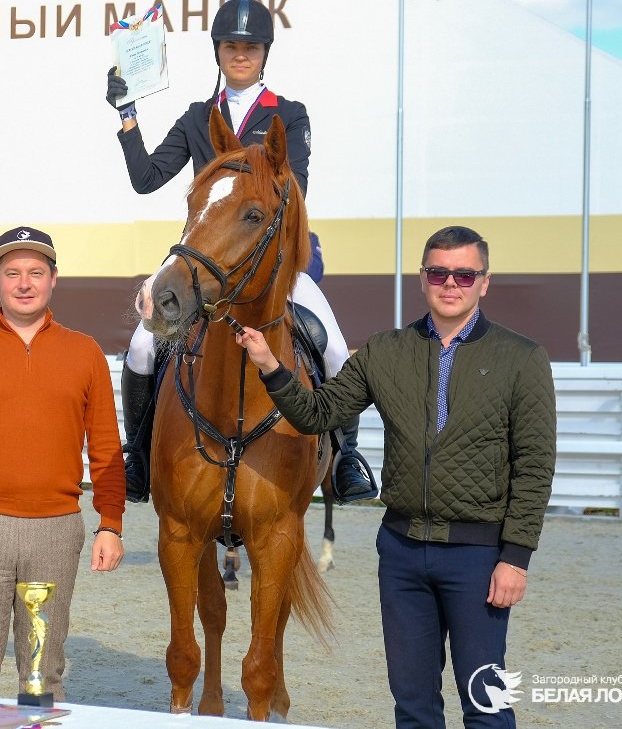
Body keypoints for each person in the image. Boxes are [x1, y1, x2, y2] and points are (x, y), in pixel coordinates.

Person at [235, 226, 557, 728]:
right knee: (412, 707)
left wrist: (515, 558)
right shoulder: (385, 350)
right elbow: (318, 414)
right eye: (439, 272)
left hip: (478, 556)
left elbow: (535, 465)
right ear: (423, 278)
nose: (451, 283)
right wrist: (272, 366)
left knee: (485, 704)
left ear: (484, 282)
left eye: (464, 274)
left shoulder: (522, 358)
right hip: (402, 553)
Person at [105, 0, 375, 504]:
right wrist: (127, 116)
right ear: (218, 52)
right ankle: (137, 456)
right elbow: (146, 179)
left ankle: (345, 457)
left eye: (250, 47)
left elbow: (296, 190)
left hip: (269, 259)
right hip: (206, 256)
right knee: (143, 346)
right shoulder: (196, 116)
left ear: (264, 53)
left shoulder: (289, 115)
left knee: (336, 348)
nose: (240, 55)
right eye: (231, 46)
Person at [0, 226, 125, 702]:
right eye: (13, 273)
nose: (24, 283)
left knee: (42, 676)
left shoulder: (85, 351)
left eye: (36, 272)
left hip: (54, 532)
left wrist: (109, 523)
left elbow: (107, 447)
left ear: (54, 279)